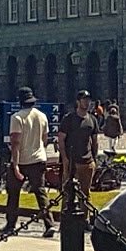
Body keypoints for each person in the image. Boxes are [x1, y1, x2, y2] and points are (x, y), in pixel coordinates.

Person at [3, 89, 51, 233]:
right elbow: (45, 139)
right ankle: (50, 224)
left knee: (13, 193)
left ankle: (11, 225)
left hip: (22, 160)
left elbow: (16, 142)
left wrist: (15, 165)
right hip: (39, 158)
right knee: (40, 192)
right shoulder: (42, 116)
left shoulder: (17, 118)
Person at [56, 92, 100, 226]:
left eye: (88, 100)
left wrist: (94, 158)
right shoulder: (69, 119)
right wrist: (65, 159)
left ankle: (84, 220)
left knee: (85, 193)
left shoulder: (92, 119)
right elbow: (61, 140)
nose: (86, 103)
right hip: (72, 161)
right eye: (84, 100)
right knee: (67, 191)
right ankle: (64, 220)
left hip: (87, 161)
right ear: (78, 101)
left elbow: (94, 140)